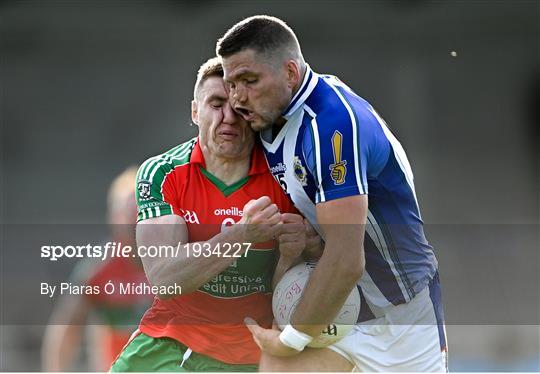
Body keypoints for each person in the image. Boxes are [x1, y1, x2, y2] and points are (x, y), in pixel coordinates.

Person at [217, 15, 448, 372]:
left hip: (402, 319)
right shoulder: (268, 117)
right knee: (274, 367)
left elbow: (345, 261)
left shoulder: (332, 124)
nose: (238, 98)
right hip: (344, 312)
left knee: (280, 356)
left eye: (250, 80)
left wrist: (291, 339)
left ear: (291, 73)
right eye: (231, 84)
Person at [110, 57, 314, 372]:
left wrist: (296, 253)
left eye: (238, 107)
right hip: (168, 344)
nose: (229, 117)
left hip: (248, 356)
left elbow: (293, 288)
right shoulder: (163, 172)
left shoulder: (286, 177)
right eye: (217, 104)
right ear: (195, 111)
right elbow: (165, 278)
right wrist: (242, 235)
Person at [42, 166, 152, 371]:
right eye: (127, 216)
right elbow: (66, 327)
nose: (133, 224)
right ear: (114, 218)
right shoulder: (99, 268)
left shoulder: (174, 261)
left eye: (139, 217)